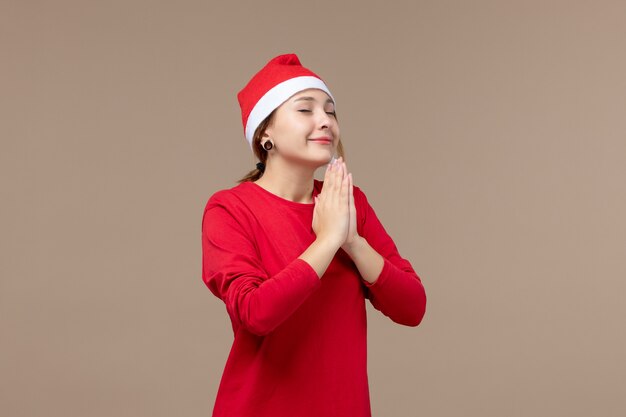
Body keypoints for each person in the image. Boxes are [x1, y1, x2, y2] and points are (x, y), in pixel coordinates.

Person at [201, 53, 426, 417]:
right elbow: (255, 313)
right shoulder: (230, 209)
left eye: (331, 111)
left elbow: (413, 306)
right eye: (305, 110)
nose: (325, 121)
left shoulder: (348, 202)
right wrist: (327, 241)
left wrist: (352, 240)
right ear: (265, 133)